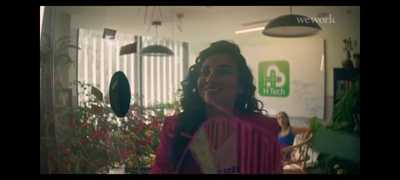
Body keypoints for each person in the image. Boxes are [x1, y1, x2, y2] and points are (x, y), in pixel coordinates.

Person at [151, 40, 282, 174]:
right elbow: (160, 170)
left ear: (241, 86)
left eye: (223, 72)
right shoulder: (175, 127)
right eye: (205, 72)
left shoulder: (265, 129)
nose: (210, 79)